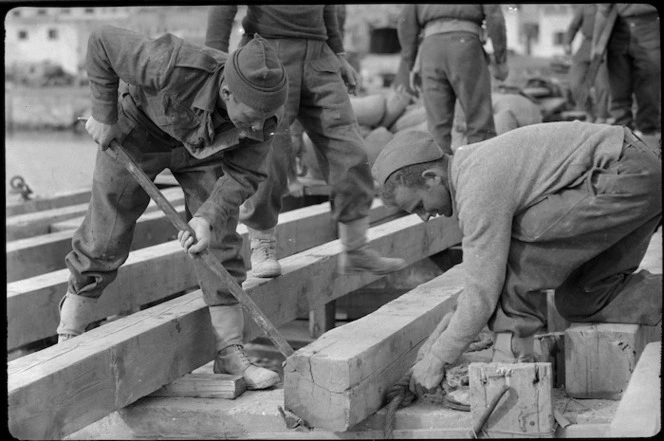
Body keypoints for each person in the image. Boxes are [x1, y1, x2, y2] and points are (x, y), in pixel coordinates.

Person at [57, 25, 289, 390]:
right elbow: (101, 41)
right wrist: (105, 116)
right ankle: (68, 335)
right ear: (227, 92)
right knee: (106, 234)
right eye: (251, 119)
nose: (258, 127)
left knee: (219, 240)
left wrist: (206, 218)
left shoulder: (263, 115)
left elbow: (244, 174)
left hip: (206, 149)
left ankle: (229, 352)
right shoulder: (174, 64)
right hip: (137, 133)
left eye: (265, 119)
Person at [371, 123, 661, 397]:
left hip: (625, 172)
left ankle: (510, 367)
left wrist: (436, 359)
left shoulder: (476, 185)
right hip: (638, 177)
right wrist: (450, 325)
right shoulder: (470, 171)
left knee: (520, 247)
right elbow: (479, 281)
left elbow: (483, 291)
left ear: (431, 178)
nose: (424, 216)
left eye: (419, 205)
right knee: (583, 299)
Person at [206, 5, 406, 278]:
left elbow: (329, 9)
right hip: (268, 54)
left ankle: (356, 246)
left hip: (319, 56)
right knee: (268, 153)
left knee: (349, 148)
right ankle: (262, 245)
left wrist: (339, 54)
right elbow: (223, 9)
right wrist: (214, 57)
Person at [397, 4, 509, 155]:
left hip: (431, 51)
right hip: (465, 48)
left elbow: (405, 24)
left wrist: (411, 63)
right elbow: (495, 18)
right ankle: (483, 173)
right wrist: (500, 59)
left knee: (437, 129)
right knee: (480, 124)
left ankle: (439, 176)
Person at [592, 4, 660, 146]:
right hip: (617, 25)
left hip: (650, 24)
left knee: (649, 85)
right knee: (619, 87)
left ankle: (648, 133)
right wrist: (596, 47)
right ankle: (623, 136)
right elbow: (603, 10)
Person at [564, 4, 611, 123]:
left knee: (602, 85)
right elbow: (573, 26)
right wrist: (567, 43)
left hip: (605, 48)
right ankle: (589, 112)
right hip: (586, 47)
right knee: (575, 82)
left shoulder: (613, 7)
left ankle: (602, 117)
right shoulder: (585, 6)